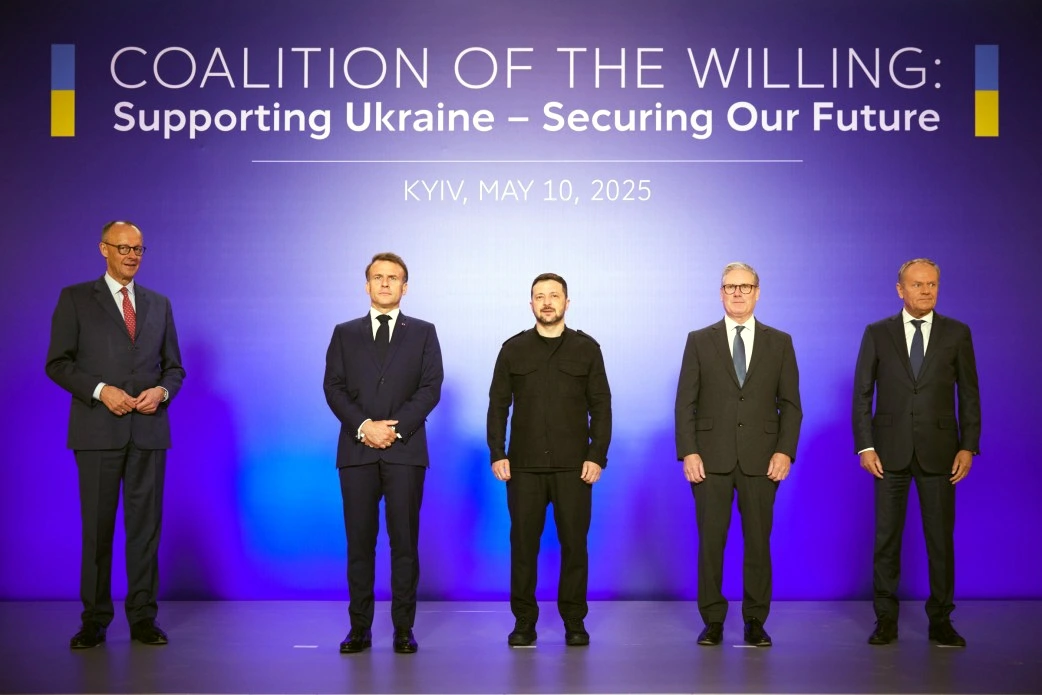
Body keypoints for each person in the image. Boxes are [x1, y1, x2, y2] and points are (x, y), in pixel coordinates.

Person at [45, 220, 185, 649]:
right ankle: (94, 620)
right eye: (123, 248)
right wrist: (101, 390)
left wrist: (162, 392)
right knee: (98, 531)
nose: (131, 256)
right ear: (103, 249)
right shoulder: (75, 299)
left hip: (148, 433)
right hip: (97, 433)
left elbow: (174, 368)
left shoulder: (159, 303)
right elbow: (58, 363)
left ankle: (143, 618)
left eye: (138, 249)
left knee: (145, 531)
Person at [852, 258, 981, 647]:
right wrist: (865, 445)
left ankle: (941, 620)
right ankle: (885, 620)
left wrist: (968, 446)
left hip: (941, 453)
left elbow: (970, 394)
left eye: (932, 284)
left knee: (940, 540)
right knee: (886, 540)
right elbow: (862, 393)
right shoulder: (877, 333)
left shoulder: (957, 333)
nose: (926, 291)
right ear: (900, 290)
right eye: (918, 284)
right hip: (887, 453)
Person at [674, 262, 801, 647]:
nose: (738, 293)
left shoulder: (780, 342)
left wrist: (785, 451)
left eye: (746, 287)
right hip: (709, 460)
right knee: (711, 542)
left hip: (762, 460)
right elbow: (685, 403)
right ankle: (712, 620)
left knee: (758, 543)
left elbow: (790, 405)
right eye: (731, 287)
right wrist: (688, 452)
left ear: (757, 293)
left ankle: (755, 620)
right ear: (721, 293)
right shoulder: (699, 340)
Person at [323, 252, 443, 654]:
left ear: (405, 287)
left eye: (393, 277)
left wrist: (394, 429)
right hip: (356, 452)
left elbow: (431, 387)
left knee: (404, 544)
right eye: (378, 277)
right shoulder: (344, 333)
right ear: (367, 285)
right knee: (359, 544)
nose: (386, 283)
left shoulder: (423, 332)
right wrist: (364, 427)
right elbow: (333, 387)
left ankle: (403, 629)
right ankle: (359, 629)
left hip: (405, 451)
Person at [487, 273, 612, 648]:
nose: (546, 302)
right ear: (531, 304)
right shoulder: (513, 349)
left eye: (554, 296)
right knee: (523, 546)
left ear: (566, 303)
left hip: (574, 468)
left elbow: (601, 406)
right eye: (539, 296)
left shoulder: (587, 349)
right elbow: (498, 405)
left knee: (574, 545)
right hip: (523, 467)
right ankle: (524, 621)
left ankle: (574, 620)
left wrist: (596, 456)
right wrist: (498, 452)